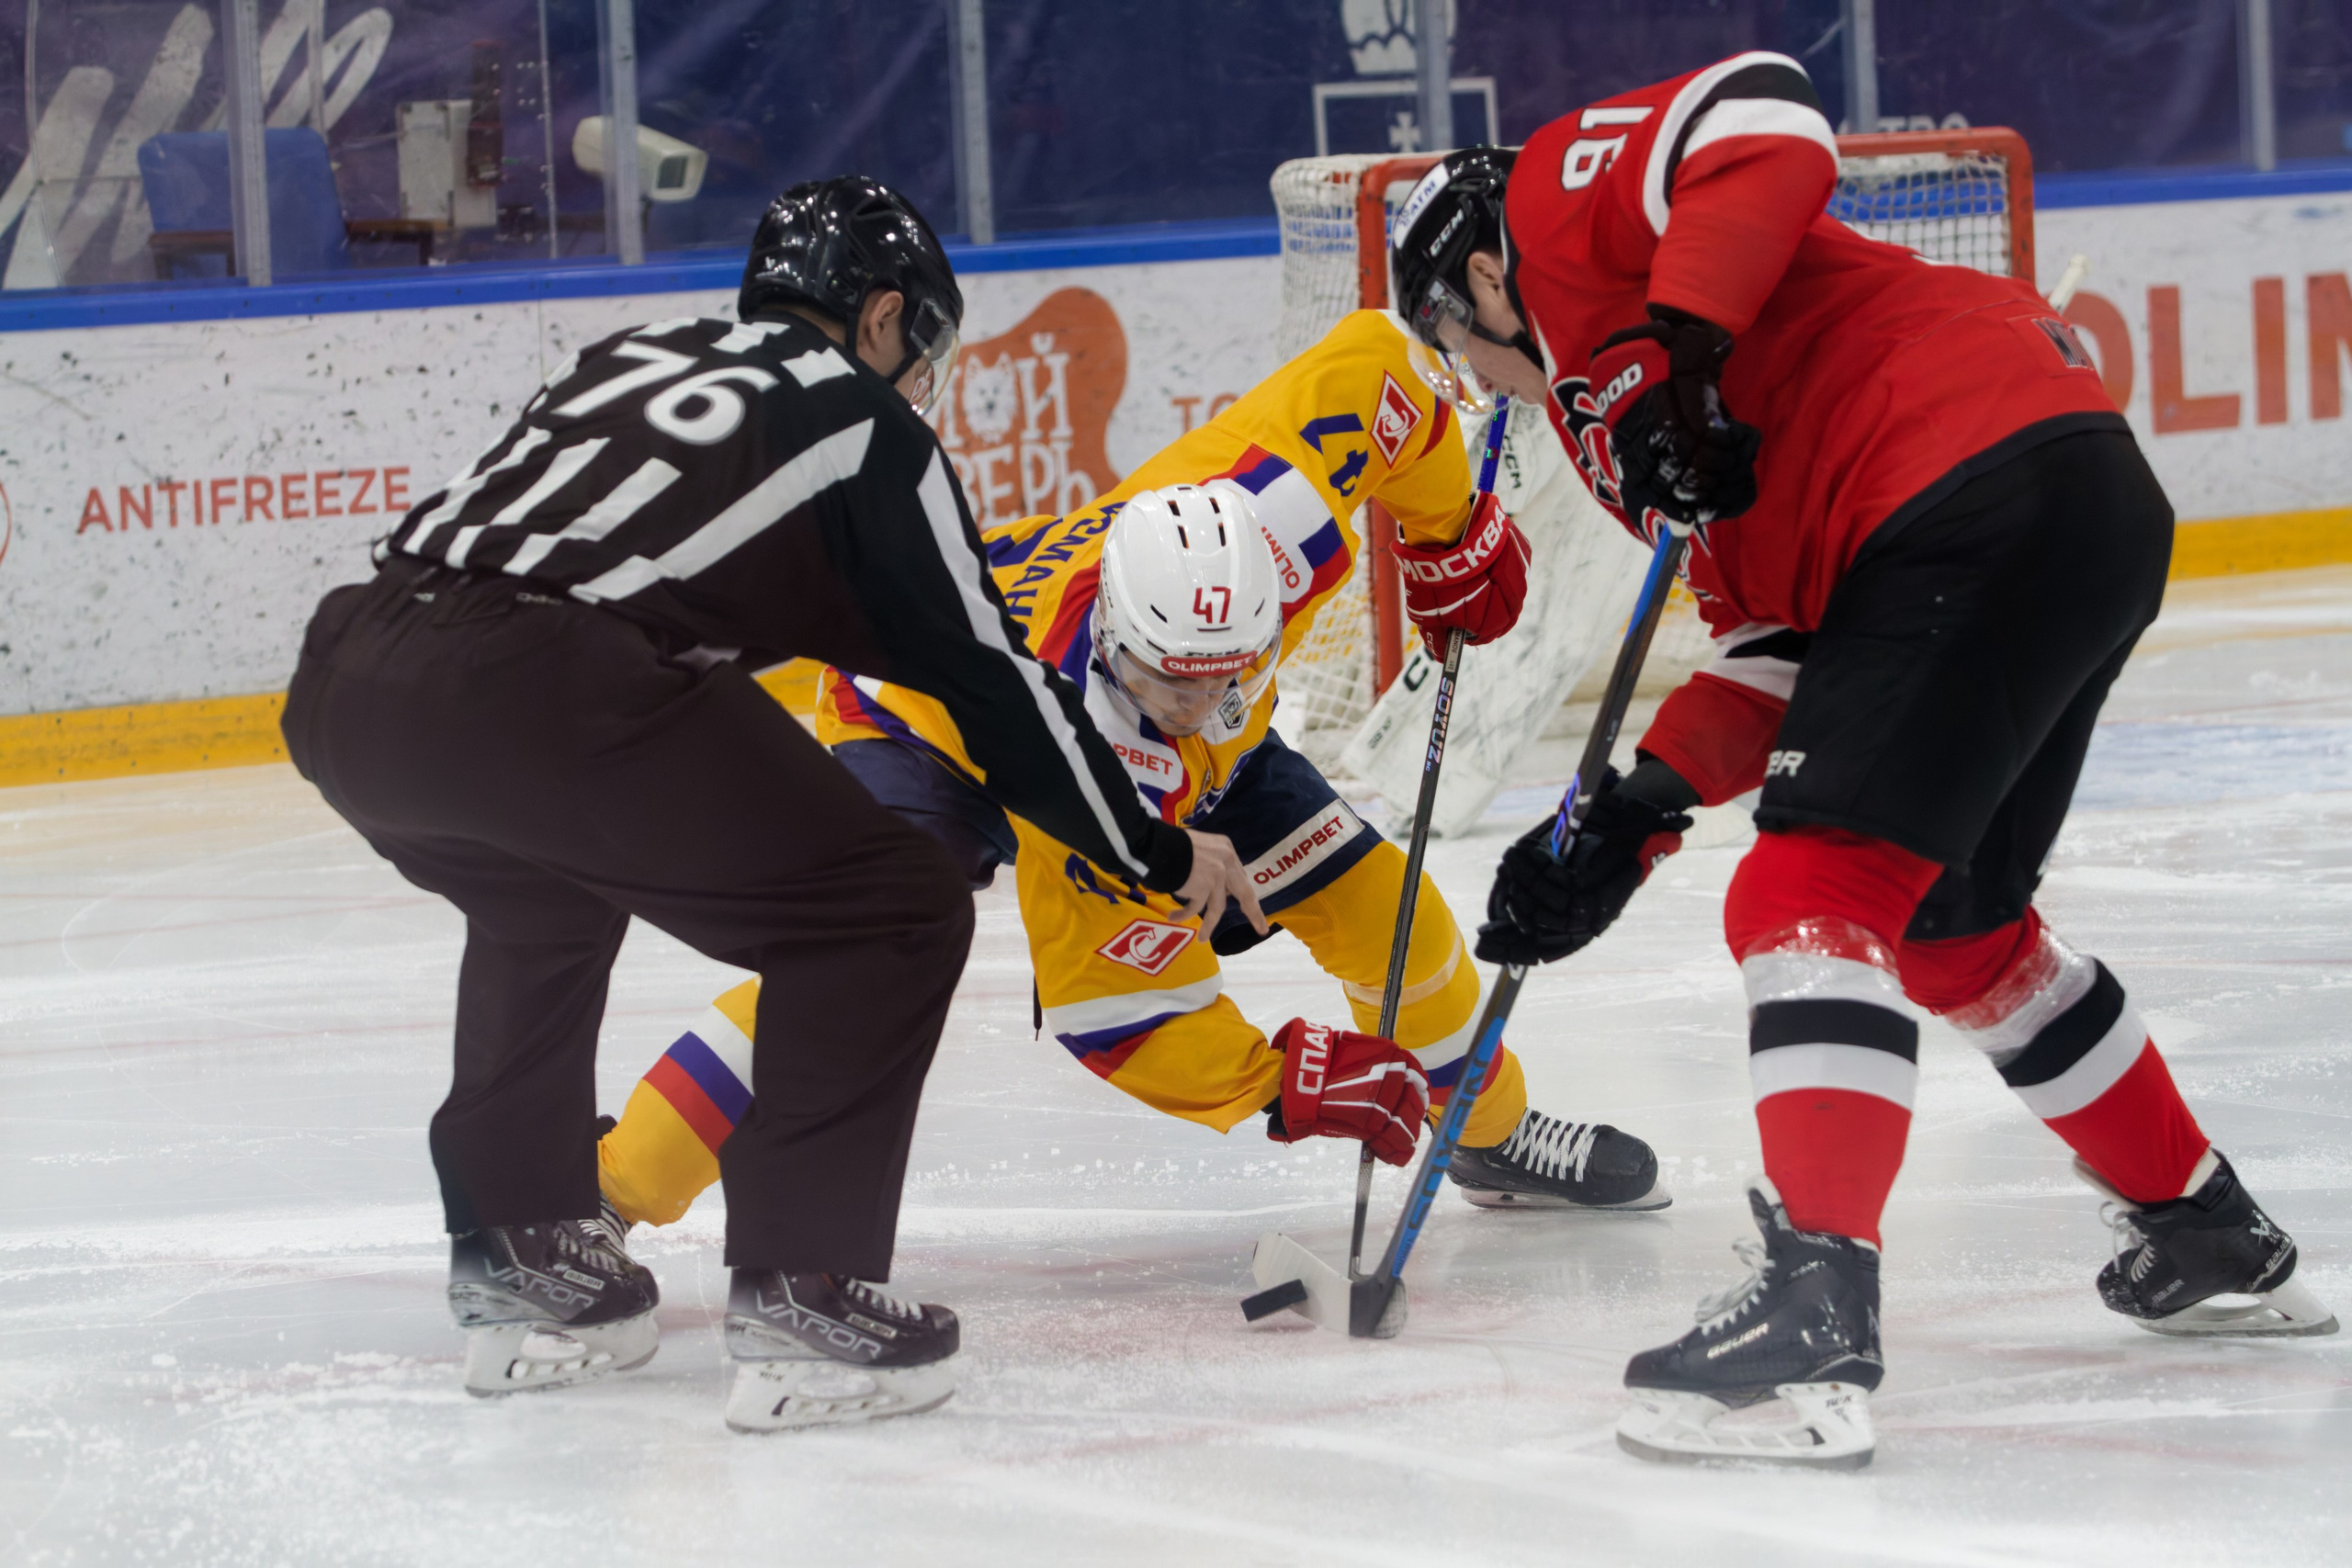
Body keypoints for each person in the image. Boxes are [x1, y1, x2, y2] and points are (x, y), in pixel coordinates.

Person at [1387, 56, 2338, 1467]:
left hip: (1962, 482)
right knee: (1959, 926)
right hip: (2063, 506)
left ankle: (1816, 1310)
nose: (1473, 380)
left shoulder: (1558, 210)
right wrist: (1629, 816)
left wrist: (1687, 352)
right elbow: (1780, 638)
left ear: (1480, 276)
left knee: (1800, 898)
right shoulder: (1621, 444)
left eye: (1455, 342)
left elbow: (1767, 113)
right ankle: (2206, 1224)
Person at [279, 176, 1264, 1433]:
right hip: (544, 683)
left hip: (354, 669)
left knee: (542, 893)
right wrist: (1153, 844)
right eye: (923, 349)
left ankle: (521, 1246)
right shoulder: (867, 428)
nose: (919, 379)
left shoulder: (629, 357)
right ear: (882, 318)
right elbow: (993, 686)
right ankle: (806, 1288)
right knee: (890, 907)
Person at [592, 305, 1674, 1250]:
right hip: (926, 723)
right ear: (1116, 633)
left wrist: (1451, 530)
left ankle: (1484, 1136)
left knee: (1394, 916)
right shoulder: (1086, 745)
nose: (1198, 700)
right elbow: (1108, 1011)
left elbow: (1379, 374)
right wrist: (1276, 1083)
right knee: (852, 960)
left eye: (1227, 674)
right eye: (1169, 681)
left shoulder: (1272, 516)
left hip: (1166, 756)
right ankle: (609, 1187)